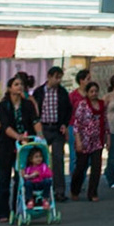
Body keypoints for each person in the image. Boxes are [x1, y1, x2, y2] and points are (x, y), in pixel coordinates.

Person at [0, 73, 39, 223]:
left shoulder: (28, 105)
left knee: (21, 178)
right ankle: (3, 212)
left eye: (21, 85)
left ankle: (19, 209)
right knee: (4, 179)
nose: (19, 87)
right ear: (10, 88)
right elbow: (5, 126)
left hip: (24, 147)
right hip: (6, 145)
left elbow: (35, 121)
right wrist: (18, 136)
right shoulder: (3, 105)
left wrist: (40, 136)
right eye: (16, 84)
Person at [32, 66, 72, 201]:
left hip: (56, 129)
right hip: (42, 128)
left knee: (58, 159)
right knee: (38, 158)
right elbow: (34, 110)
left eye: (60, 77)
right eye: (56, 77)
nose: (58, 80)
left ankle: (59, 190)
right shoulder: (39, 92)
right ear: (49, 77)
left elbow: (68, 109)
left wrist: (64, 125)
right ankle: (37, 189)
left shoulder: (62, 92)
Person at [69, 79, 106, 201]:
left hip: (97, 140)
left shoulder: (102, 104)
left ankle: (93, 193)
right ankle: (75, 190)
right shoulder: (83, 105)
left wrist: (108, 138)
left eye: (96, 91)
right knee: (81, 167)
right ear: (87, 93)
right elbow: (77, 124)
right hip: (84, 140)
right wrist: (78, 140)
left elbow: (106, 122)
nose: (94, 94)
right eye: (91, 91)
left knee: (96, 167)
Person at [19, 144, 54, 217]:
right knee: (27, 183)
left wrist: (39, 174)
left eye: (40, 156)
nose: (39, 159)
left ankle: (45, 199)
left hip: (41, 183)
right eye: (36, 157)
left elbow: (49, 174)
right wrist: (25, 175)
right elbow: (25, 177)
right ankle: (30, 199)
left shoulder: (44, 166)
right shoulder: (28, 168)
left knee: (48, 181)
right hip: (32, 184)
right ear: (31, 159)